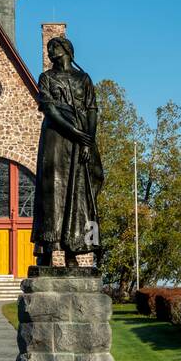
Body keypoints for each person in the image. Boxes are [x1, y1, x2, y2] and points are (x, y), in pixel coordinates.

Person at [31, 36, 104, 267]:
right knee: (51, 191)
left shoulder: (83, 79)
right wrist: (75, 132)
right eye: (49, 47)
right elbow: (50, 109)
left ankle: (74, 249)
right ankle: (47, 250)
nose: (50, 50)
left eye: (55, 47)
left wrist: (87, 141)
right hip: (56, 137)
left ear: (67, 50)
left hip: (80, 141)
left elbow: (92, 109)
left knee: (80, 192)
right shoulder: (46, 78)